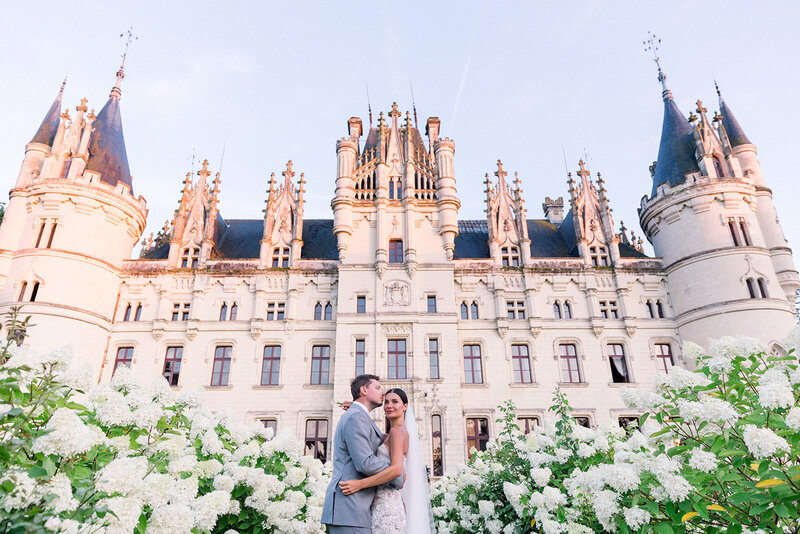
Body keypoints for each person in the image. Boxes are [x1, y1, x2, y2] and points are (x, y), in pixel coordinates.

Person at [338, 388, 434, 534]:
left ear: (405, 406)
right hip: (385, 503)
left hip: (387, 507)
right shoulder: (394, 433)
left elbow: (396, 470)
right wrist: (357, 408)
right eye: (386, 402)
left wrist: (359, 484)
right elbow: (373, 432)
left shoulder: (397, 432)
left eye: (395, 402)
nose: (389, 405)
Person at [321, 375, 404, 533]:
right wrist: (396, 473)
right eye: (378, 388)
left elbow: (382, 440)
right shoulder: (356, 417)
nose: (383, 392)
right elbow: (365, 462)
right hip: (349, 508)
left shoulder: (359, 416)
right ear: (364, 390)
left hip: (354, 510)